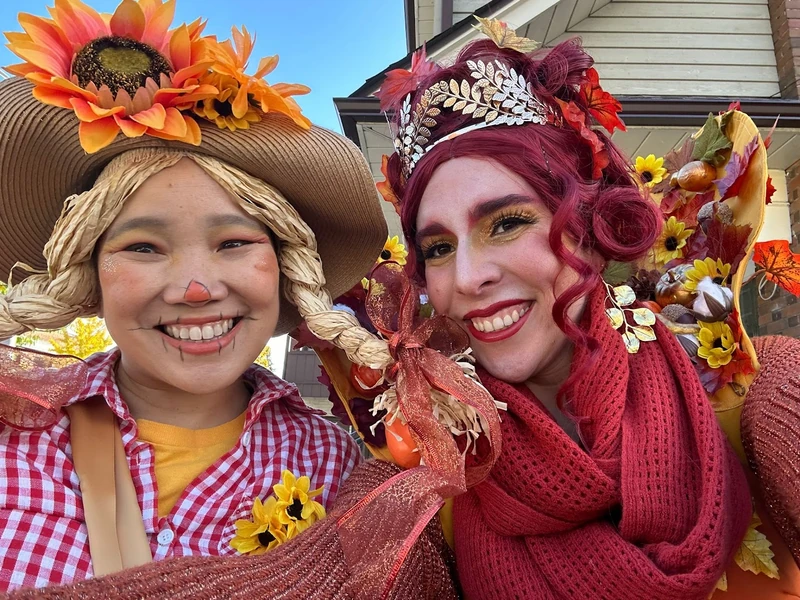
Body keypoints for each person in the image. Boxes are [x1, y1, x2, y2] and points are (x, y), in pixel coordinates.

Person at [6, 15, 800, 600]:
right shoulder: (420, 487)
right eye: (439, 248)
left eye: (509, 221)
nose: (473, 275)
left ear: (593, 228)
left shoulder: (761, 400)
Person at [0, 0, 400, 592]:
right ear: (88, 269)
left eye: (234, 242)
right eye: (143, 247)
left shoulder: (337, 467)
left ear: (286, 265)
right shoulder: (14, 435)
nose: (196, 288)